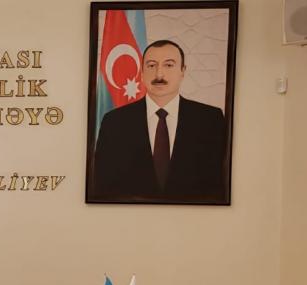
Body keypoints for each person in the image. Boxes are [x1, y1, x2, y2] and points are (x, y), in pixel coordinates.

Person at [90, 39, 228, 203]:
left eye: (169, 65)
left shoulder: (210, 120)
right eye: (151, 65)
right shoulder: (114, 122)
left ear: (183, 71)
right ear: (141, 72)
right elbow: (103, 188)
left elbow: (218, 185)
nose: (159, 75)